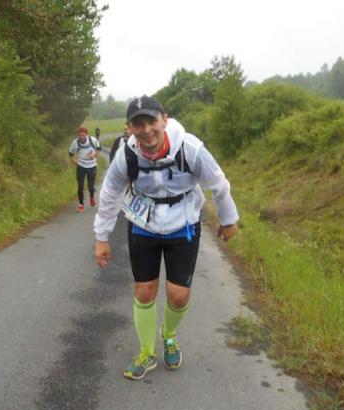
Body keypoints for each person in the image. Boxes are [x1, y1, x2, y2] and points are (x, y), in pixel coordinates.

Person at [94, 95, 239, 380]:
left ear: (164, 119)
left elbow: (218, 184)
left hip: (183, 223)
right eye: (138, 124)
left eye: (151, 121)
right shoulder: (127, 153)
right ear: (130, 127)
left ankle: (169, 334)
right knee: (145, 290)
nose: (146, 130)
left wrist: (229, 219)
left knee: (178, 295)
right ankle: (146, 351)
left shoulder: (190, 148)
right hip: (142, 224)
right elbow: (110, 193)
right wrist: (101, 236)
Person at [69, 127, 101, 212]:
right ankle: (81, 205)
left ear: (86, 135)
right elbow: (70, 153)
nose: (82, 137)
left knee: (91, 187)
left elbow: (99, 149)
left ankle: (91, 197)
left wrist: (94, 156)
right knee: (80, 186)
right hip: (81, 167)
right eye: (80, 136)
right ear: (78, 136)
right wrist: (74, 161)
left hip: (92, 166)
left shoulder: (93, 140)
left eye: (83, 135)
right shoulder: (75, 142)